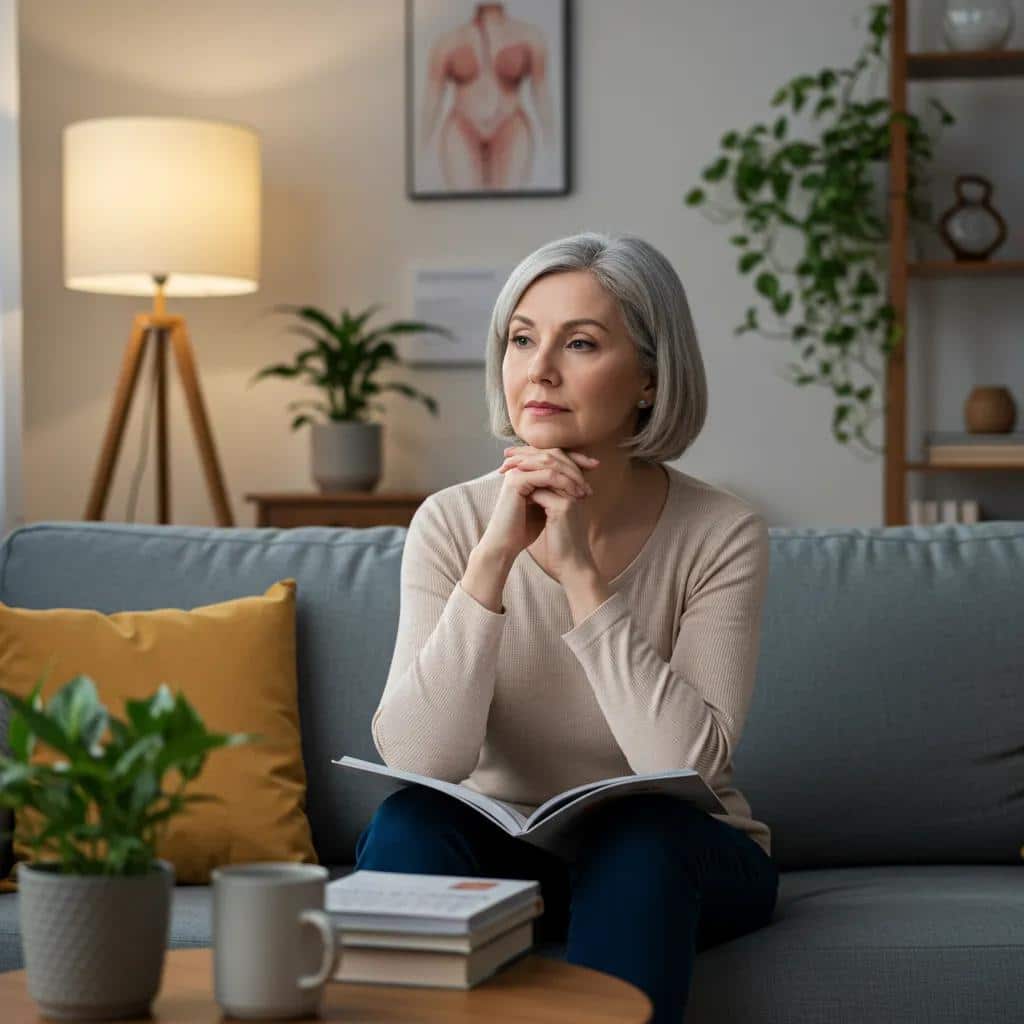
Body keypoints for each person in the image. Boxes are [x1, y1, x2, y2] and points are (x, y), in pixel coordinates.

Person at [355, 231, 779, 1022]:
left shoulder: (722, 532)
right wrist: (492, 560)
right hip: (506, 856)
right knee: (410, 821)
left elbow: (685, 764)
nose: (539, 369)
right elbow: (419, 758)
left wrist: (582, 576)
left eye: (579, 343)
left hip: (677, 854)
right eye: (522, 339)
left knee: (641, 836)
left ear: (649, 379)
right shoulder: (450, 521)